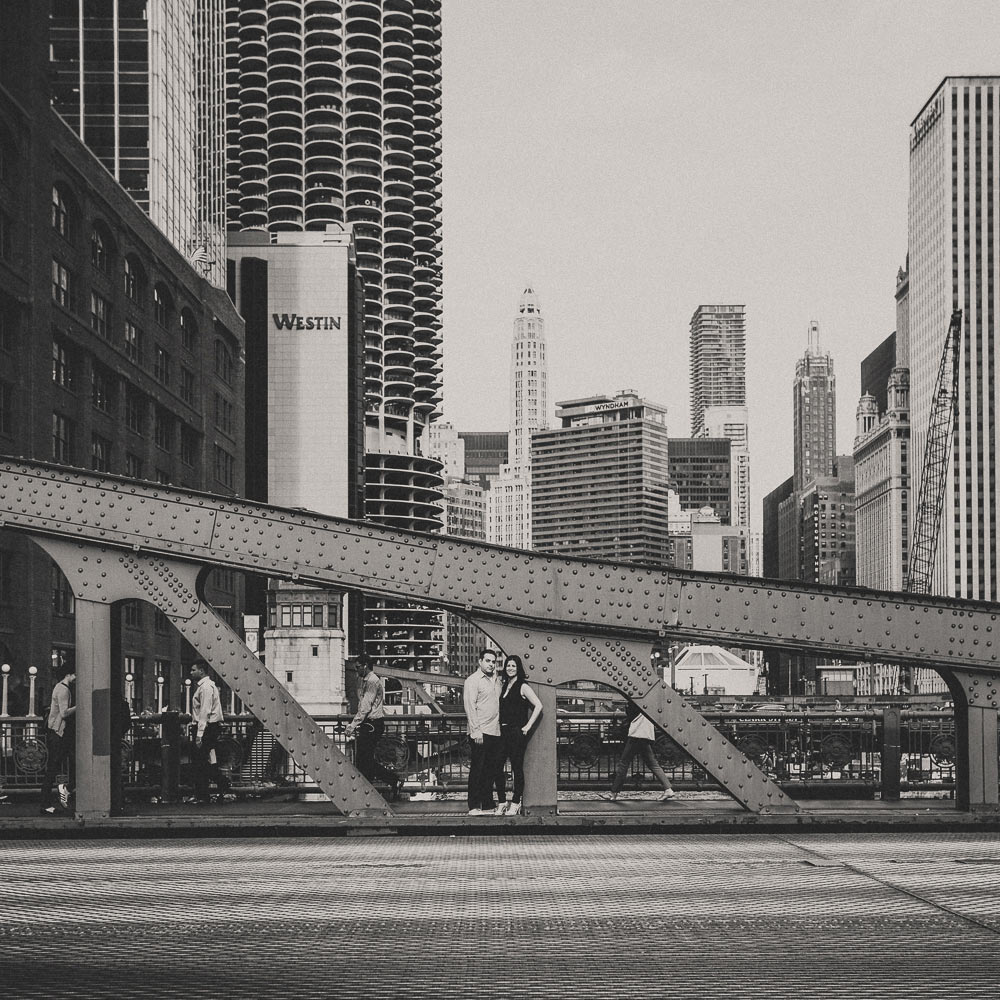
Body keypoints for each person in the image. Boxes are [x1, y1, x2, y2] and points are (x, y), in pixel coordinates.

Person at [344, 656, 403, 801]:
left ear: (365, 666)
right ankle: (371, 790)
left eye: (358, 667)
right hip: (371, 725)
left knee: (363, 760)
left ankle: (391, 781)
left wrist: (352, 725)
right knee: (365, 759)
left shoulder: (371, 681)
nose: (356, 669)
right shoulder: (368, 680)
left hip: (371, 725)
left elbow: (365, 706)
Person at [495, 654, 543, 815]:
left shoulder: (523, 686)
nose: (510, 668)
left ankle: (515, 803)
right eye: (508, 665)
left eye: (513, 666)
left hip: (516, 733)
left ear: (518, 668)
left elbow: (538, 705)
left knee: (517, 768)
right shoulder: (504, 685)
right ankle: (502, 802)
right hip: (503, 732)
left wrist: (527, 726)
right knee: (497, 767)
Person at [602, 700, 676, 803]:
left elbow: (631, 714)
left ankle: (613, 793)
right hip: (646, 734)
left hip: (636, 734)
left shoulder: (635, 701)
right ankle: (668, 789)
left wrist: (627, 705)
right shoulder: (650, 701)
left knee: (624, 763)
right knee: (653, 764)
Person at [463, 648, 501, 814]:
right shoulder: (472, 680)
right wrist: (475, 731)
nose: (491, 664)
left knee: (490, 770)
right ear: (480, 661)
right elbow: (470, 707)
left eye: (493, 661)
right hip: (480, 732)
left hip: (496, 731)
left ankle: (487, 804)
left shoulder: (497, 680)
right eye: (488, 661)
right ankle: (474, 805)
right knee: (477, 770)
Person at [189, 661, 231, 804]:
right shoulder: (209, 686)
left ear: (201, 671)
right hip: (211, 727)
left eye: (193, 669)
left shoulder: (205, 688)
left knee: (199, 761)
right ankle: (218, 785)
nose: (191, 672)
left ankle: (208, 792)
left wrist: (199, 734)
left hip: (206, 728)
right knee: (205, 760)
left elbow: (204, 712)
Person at [40, 666, 76, 815]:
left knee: (59, 765)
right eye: (75, 674)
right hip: (58, 734)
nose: (76, 678)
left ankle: (63, 790)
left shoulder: (59, 687)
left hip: (57, 733)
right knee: (54, 767)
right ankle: (47, 802)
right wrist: (81, 706)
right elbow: (64, 713)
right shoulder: (63, 690)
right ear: (68, 674)